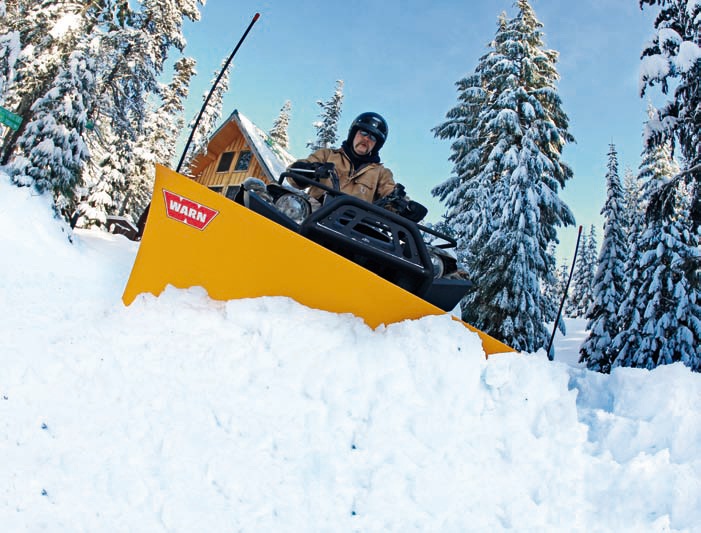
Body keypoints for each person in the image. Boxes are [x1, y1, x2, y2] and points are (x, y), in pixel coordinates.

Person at [287, 112, 426, 222]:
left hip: (355, 225)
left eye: (372, 138)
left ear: (376, 145)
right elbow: (294, 175)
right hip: (315, 212)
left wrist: (405, 207)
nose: (366, 139)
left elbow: (390, 195)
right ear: (353, 134)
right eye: (364, 133)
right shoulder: (327, 155)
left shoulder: (381, 174)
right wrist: (308, 170)